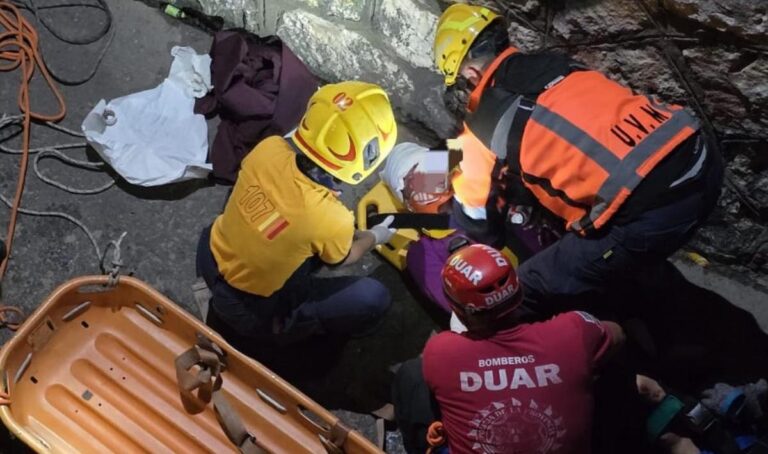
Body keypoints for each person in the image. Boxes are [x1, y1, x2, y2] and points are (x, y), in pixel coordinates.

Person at [433, 4, 724, 310]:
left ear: (470, 72)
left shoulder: (480, 127)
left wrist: (477, 244)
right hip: (701, 159)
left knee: (528, 285)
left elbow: (476, 214)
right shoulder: (560, 64)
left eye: (464, 83)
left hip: (654, 211)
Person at [196, 81, 399, 345]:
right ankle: (285, 335)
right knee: (373, 297)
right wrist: (376, 236)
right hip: (248, 308)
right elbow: (344, 256)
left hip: (208, 255)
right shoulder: (331, 217)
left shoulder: (270, 148)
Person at [393, 243, 625, 453]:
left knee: (412, 374)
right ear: (520, 291)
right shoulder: (573, 330)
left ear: (459, 312)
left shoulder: (442, 350)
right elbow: (617, 334)